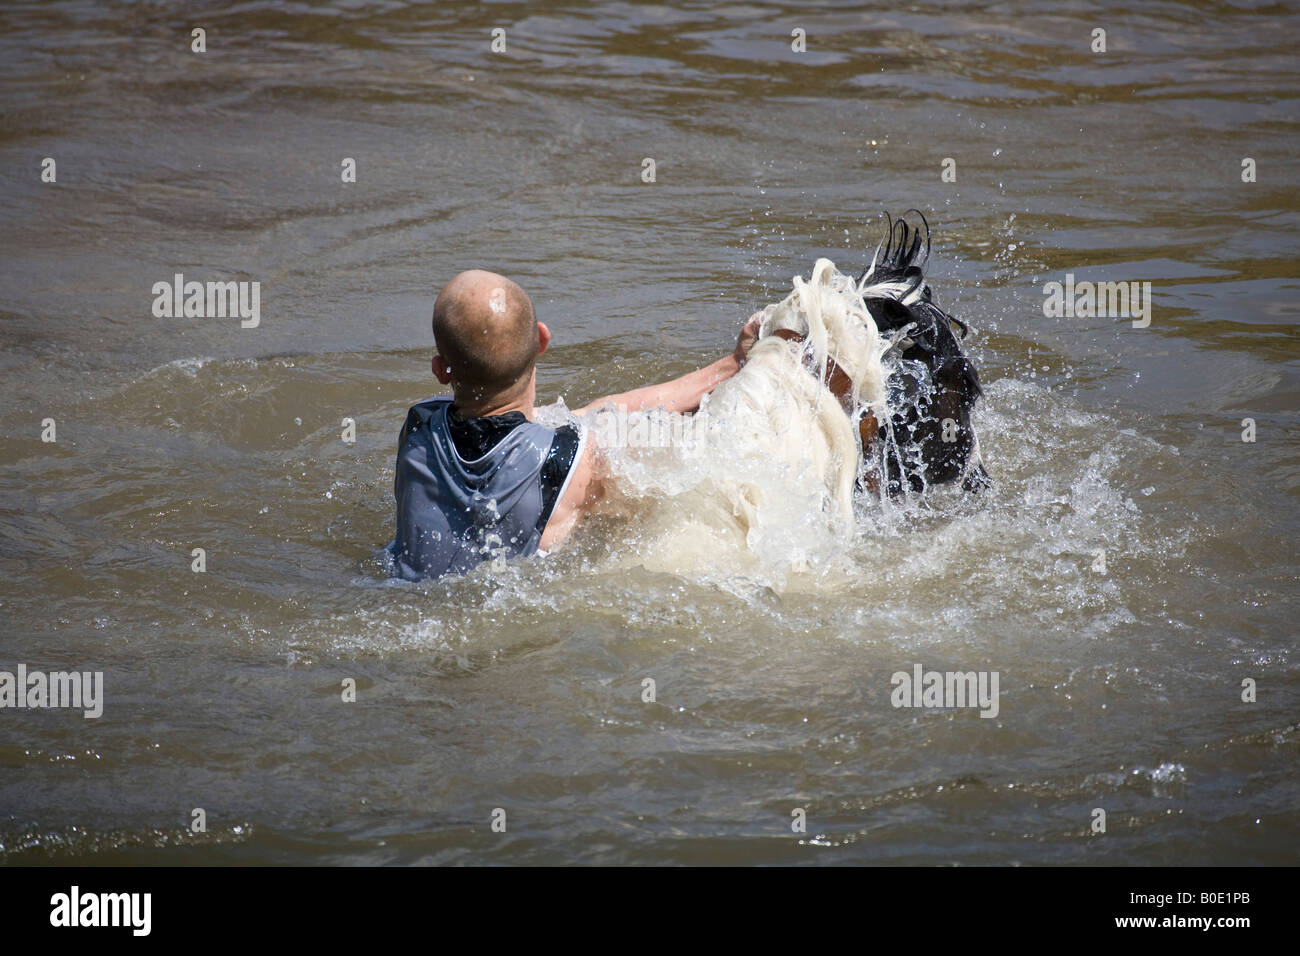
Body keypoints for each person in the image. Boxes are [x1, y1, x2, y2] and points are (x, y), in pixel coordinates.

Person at [389, 269, 761, 580]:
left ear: (440, 370)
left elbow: (590, 415)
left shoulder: (418, 426)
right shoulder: (572, 459)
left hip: (402, 597)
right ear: (542, 340)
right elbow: (612, 428)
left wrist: (728, 366)